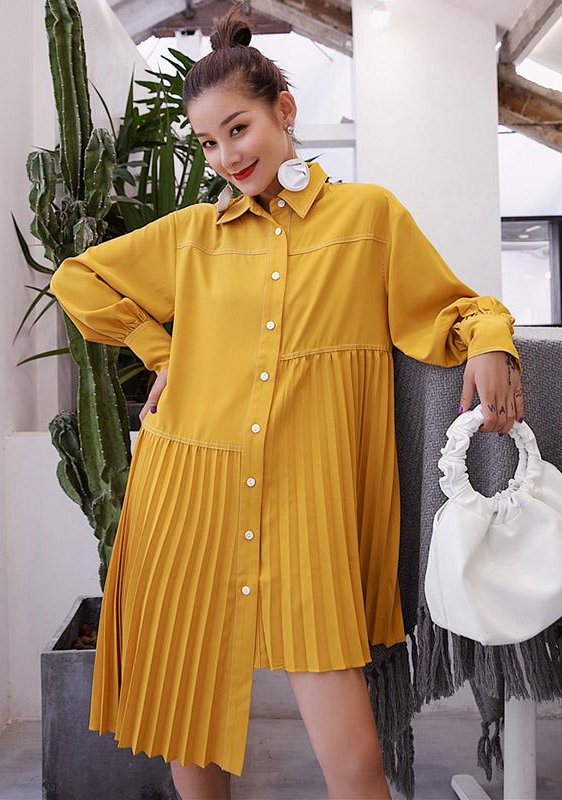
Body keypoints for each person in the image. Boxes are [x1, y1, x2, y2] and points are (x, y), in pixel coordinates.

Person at [49, 3, 524, 799]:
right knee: (188, 723)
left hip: (310, 497)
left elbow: (449, 307)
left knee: (355, 760)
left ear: (285, 111)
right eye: (208, 142)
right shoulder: (194, 234)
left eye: (237, 129)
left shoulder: (367, 217)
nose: (225, 155)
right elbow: (79, 279)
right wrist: (165, 354)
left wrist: (490, 337)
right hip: (190, 486)